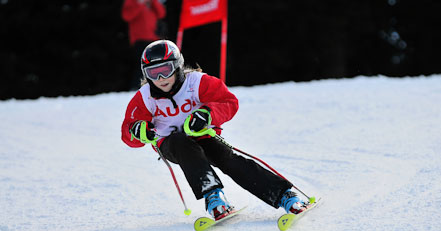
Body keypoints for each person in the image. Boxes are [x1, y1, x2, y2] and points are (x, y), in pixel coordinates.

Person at [121, 40, 310, 220]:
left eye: (165, 70)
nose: (161, 79)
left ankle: (284, 195)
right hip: (171, 144)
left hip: (202, 135)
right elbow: (128, 131)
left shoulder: (196, 82)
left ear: (177, 65)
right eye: (153, 73)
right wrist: (139, 131)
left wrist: (207, 114)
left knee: (228, 159)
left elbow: (229, 102)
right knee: (180, 141)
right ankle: (214, 197)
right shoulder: (145, 97)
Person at [121, 0, 166, 90]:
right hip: (139, 39)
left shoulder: (151, 2)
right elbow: (127, 16)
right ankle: (136, 88)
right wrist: (140, 4)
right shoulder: (131, 2)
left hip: (154, 38)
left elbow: (161, 14)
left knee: (157, 64)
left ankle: (155, 86)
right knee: (142, 65)